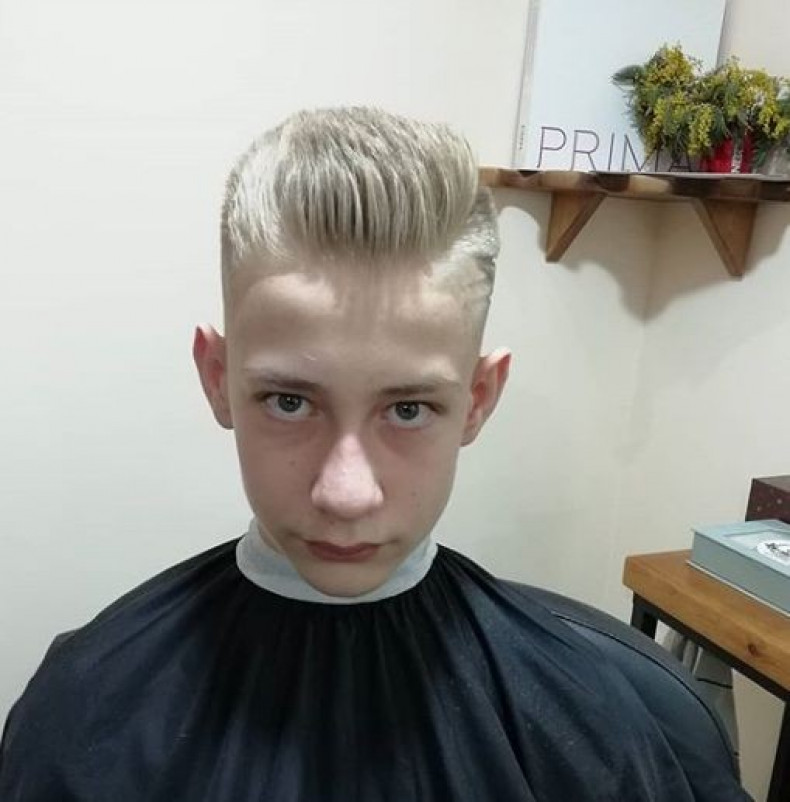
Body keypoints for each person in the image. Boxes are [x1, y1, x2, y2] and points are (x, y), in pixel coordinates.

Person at [0, 107, 750, 801]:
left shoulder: (599, 728)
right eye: (289, 401)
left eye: (408, 409)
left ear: (479, 399)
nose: (346, 493)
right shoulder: (81, 717)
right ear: (217, 379)